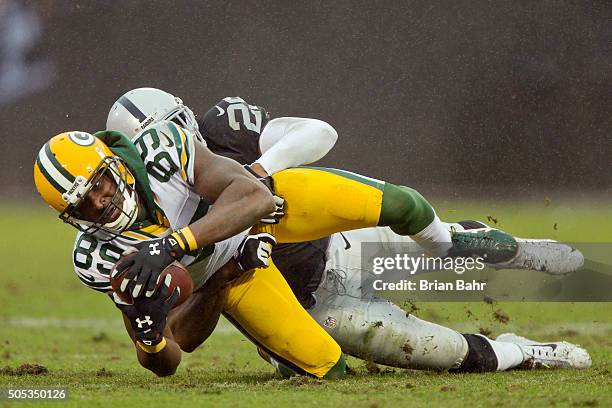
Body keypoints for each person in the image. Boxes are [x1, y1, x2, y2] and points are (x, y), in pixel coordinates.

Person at [102, 88, 590, 373]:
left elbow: (318, 132)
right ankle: (522, 353)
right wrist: (222, 280)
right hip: (313, 308)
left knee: (447, 244)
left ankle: (518, 251)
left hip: (340, 246)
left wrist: (258, 173)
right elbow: (181, 337)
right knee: (440, 353)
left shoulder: (219, 134)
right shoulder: (141, 227)